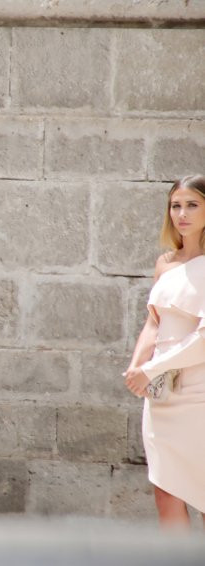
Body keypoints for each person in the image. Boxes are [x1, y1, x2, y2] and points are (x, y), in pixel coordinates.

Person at [124, 175, 205, 528]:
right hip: (161, 394)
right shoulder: (165, 263)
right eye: (176, 205)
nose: (182, 213)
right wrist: (136, 366)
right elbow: (154, 322)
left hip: (200, 394)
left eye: (192, 205)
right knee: (164, 491)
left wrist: (153, 368)